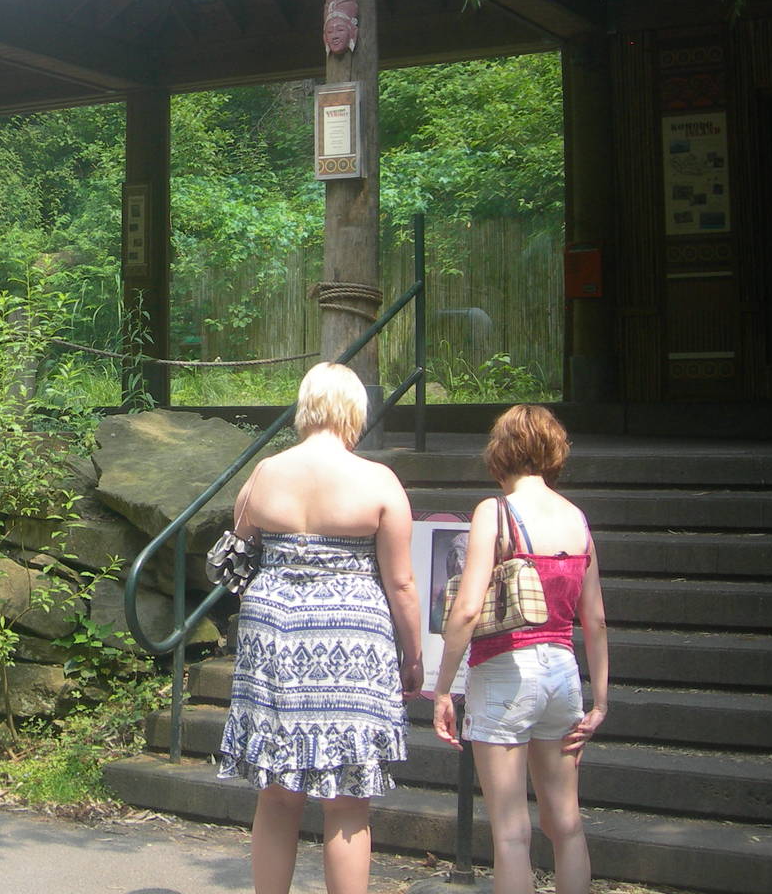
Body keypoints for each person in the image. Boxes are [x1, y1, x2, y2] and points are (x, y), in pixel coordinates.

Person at [217, 361, 423, 894]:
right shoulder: (378, 481)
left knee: (278, 793)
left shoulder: (265, 473)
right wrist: (414, 656)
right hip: (352, 642)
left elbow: (235, 555)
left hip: (275, 637)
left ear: (305, 408)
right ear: (355, 411)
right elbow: (401, 583)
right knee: (349, 800)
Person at [432, 405, 609, 894]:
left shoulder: (495, 511)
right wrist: (601, 703)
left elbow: (467, 609)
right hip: (563, 672)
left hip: (506, 671)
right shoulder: (577, 518)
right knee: (566, 823)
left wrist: (444, 688)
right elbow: (593, 619)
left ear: (501, 451)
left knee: (511, 833)